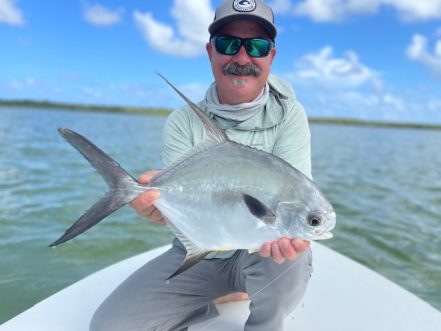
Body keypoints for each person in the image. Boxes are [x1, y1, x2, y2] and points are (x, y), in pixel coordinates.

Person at [90, 0, 313, 330]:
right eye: (228, 44)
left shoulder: (290, 115)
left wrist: (299, 227)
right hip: (199, 253)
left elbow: (295, 195)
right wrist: (156, 206)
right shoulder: (182, 122)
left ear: (271, 56)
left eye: (256, 46)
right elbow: (191, 208)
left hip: (263, 256)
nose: (241, 57)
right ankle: (214, 297)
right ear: (210, 52)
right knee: (109, 326)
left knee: (290, 254)